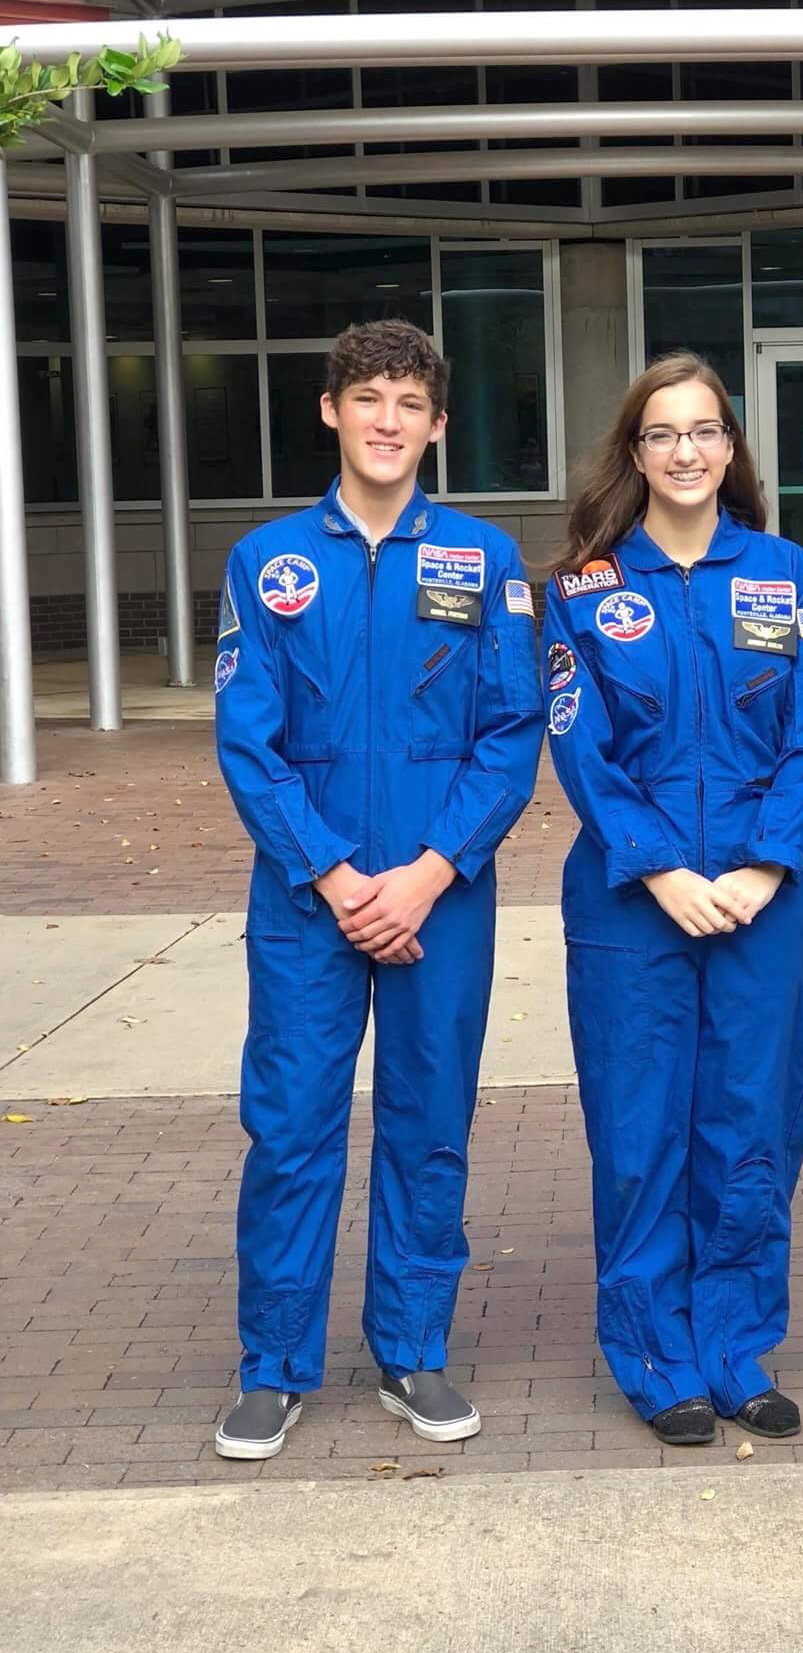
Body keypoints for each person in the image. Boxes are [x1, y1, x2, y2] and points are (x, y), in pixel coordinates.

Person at [211, 320, 543, 1459]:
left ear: (439, 423)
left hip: (439, 891)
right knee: (292, 1125)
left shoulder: (486, 561)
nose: (388, 419)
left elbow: (511, 733)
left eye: (409, 401)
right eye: (368, 398)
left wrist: (428, 873)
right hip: (309, 894)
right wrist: (341, 875)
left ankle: (412, 1350)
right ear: (331, 411)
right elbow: (248, 742)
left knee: (428, 1124)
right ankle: (273, 1364)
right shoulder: (266, 563)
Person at [542, 352, 803, 1446]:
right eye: (662, 433)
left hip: (772, 900)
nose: (685, 450)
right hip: (636, 902)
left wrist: (768, 861)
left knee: (752, 1125)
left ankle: (734, 1347)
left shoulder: (789, 576)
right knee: (640, 1132)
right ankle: (653, 1353)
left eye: (704, 430)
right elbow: (580, 743)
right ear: (636, 453)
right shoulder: (584, 588)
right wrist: (663, 867)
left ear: (732, 448)